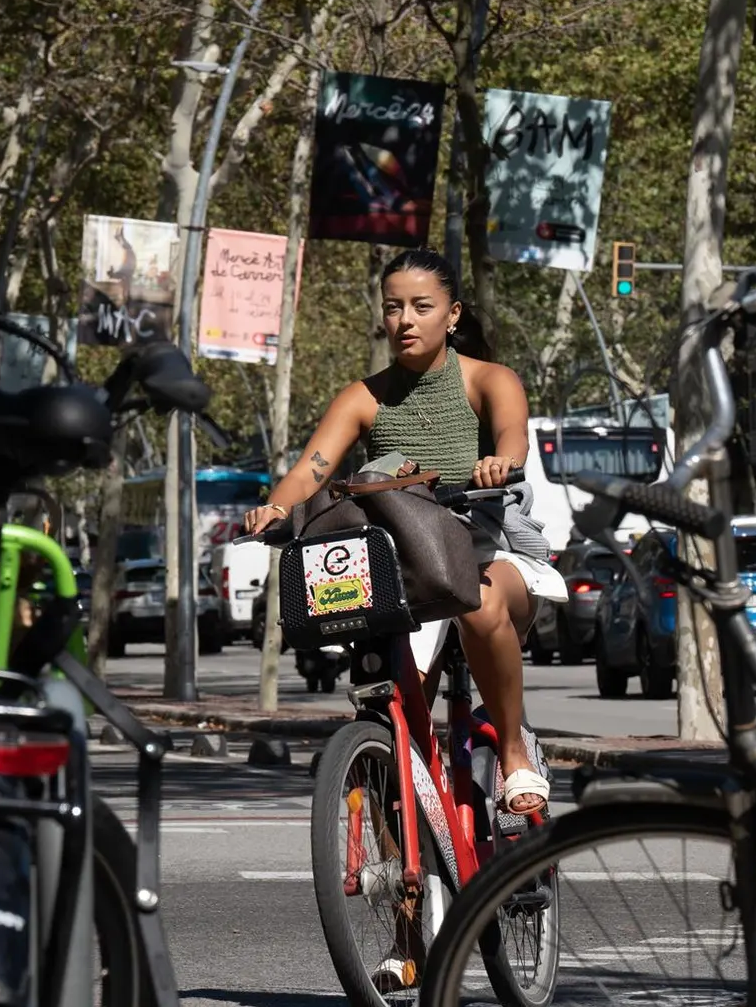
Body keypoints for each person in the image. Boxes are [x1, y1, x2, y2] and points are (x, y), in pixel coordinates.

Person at [242, 248, 566, 817]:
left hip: (487, 551)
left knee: (479, 605)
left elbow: (513, 435)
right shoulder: (362, 397)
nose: (406, 320)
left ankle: (515, 752)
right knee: (389, 699)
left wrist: (500, 464)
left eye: (422, 306)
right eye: (394, 308)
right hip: (406, 569)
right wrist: (273, 509)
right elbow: (309, 470)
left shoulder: (489, 380)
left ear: (453, 314)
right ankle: (407, 870)